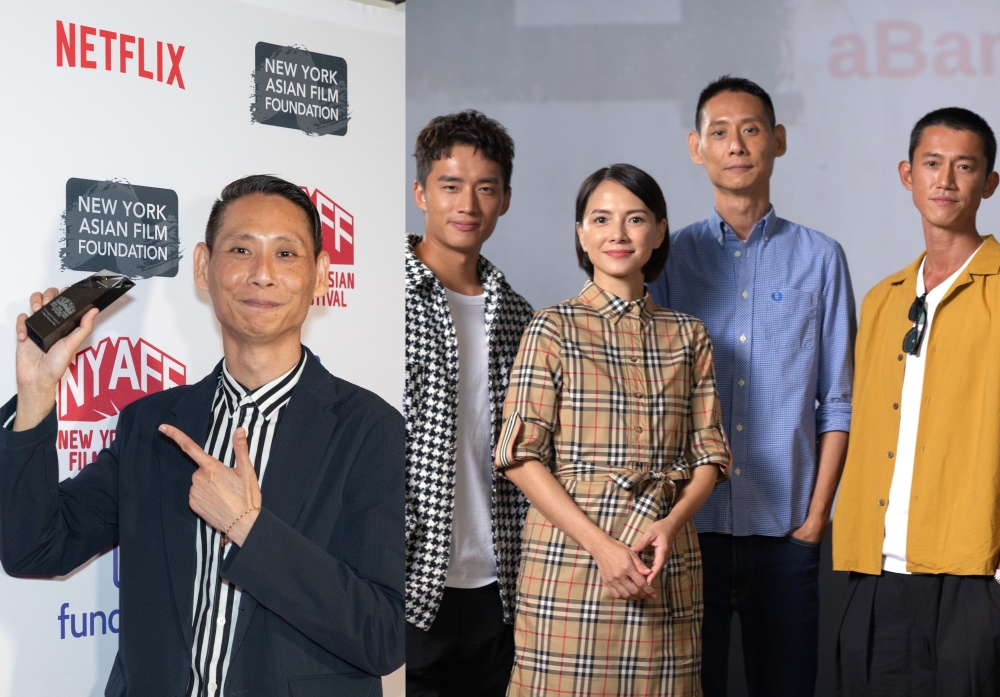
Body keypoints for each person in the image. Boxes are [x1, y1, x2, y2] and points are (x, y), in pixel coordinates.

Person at [0, 175, 404, 697]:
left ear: (321, 275)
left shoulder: (370, 429)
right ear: (202, 267)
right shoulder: (151, 425)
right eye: (241, 250)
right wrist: (36, 394)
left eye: (285, 254)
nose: (262, 275)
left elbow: (385, 636)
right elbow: (35, 549)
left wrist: (248, 529)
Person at [648, 76, 857, 696]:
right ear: (696, 148)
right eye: (719, 132)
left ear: (778, 140)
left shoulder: (821, 258)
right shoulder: (668, 258)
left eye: (751, 129)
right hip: (691, 531)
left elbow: (838, 400)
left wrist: (815, 520)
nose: (736, 145)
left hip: (787, 533)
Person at [495, 163, 731, 696]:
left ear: (660, 231)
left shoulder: (688, 335)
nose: (617, 233)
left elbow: (710, 455)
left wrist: (670, 526)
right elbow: (518, 456)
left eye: (635, 218)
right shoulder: (551, 327)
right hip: (571, 559)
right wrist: (601, 547)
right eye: (601, 219)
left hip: (662, 559)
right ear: (581, 234)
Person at [833, 107, 1000, 696]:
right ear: (908, 175)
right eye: (932, 163)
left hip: (974, 570)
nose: (945, 180)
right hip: (877, 569)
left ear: (989, 183)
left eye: (964, 167)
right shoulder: (883, 299)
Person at [404, 110, 534, 696]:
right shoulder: (383, 297)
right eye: (450, 185)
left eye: (485, 188)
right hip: (408, 583)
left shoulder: (519, 315)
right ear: (421, 193)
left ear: (504, 199)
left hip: (499, 588)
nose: (467, 204)